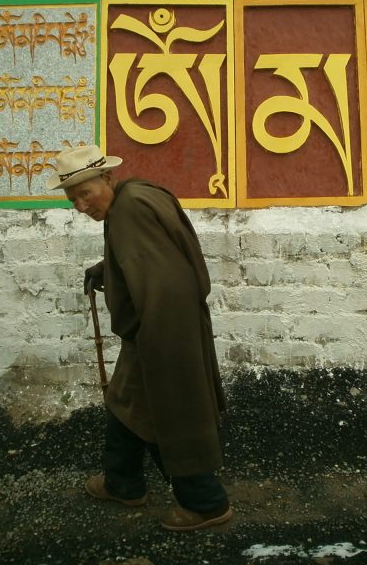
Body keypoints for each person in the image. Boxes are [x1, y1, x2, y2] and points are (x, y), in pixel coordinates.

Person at [46, 144, 232, 531]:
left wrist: (160, 347)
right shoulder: (136, 195)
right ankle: (123, 482)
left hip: (163, 332)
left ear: (107, 178)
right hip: (158, 327)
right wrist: (108, 268)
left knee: (166, 414)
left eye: (86, 192)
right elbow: (152, 257)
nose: (81, 205)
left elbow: (162, 282)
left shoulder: (129, 211)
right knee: (124, 402)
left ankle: (206, 503)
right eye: (73, 198)